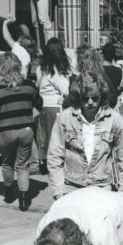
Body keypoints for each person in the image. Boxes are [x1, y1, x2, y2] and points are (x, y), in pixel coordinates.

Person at [47, 71, 123, 198]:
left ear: (102, 96)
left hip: (102, 188)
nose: (90, 102)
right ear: (78, 96)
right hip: (71, 188)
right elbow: (54, 156)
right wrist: (58, 191)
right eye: (85, 98)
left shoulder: (115, 120)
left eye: (95, 98)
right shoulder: (65, 118)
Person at [0, 52, 39, 211]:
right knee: (23, 165)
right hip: (26, 131)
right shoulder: (29, 85)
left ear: (1, 69)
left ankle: (9, 193)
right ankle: (23, 199)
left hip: (5, 132)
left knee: (7, 163)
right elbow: (39, 102)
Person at [36, 37, 74, 174]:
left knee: (44, 136)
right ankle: (57, 164)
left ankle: (45, 161)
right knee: (56, 138)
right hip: (55, 107)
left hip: (43, 106)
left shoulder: (41, 68)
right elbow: (67, 90)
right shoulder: (56, 71)